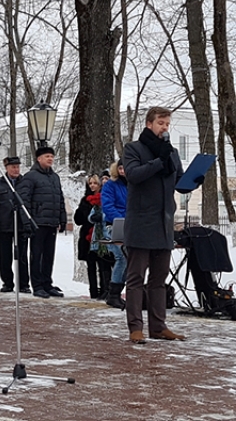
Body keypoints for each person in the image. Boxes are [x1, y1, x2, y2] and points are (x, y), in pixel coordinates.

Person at [123, 106, 184, 344]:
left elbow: (178, 180)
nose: (165, 128)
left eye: (167, 124)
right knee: (136, 278)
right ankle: (135, 328)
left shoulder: (172, 152)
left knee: (159, 280)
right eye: (161, 123)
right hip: (140, 223)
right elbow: (134, 175)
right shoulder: (133, 149)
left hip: (164, 223)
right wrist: (159, 161)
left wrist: (193, 179)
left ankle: (158, 326)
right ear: (149, 124)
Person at [21, 146, 67, 299]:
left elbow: (60, 199)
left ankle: (47, 283)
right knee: (37, 255)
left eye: (52, 157)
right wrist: (27, 221)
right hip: (37, 222)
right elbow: (23, 201)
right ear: (39, 158)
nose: (50, 159)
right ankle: (37, 285)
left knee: (49, 255)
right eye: (47, 156)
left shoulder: (55, 177)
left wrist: (62, 218)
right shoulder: (30, 177)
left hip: (52, 222)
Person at [0, 156, 32, 294]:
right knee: (5, 257)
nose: (16, 169)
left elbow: (31, 204)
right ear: (6, 168)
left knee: (22, 257)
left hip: (22, 226)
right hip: (4, 227)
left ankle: (24, 284)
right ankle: (7, 283)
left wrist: (29, 223)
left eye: (18, 166)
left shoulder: (26, 183)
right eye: (13, 167)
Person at [74, 175, 111, 299]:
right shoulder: (85, 200)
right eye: (90, 183)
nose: (92, 186)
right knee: (90, 265)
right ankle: (93, 291)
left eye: (95, 183)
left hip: (101, 235)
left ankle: (105, 290)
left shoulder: (105, 198)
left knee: (103, 264)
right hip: (87, 236)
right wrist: (84, 214)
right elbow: (78, 220)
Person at [100, 160, 128, 309]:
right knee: (121, 257)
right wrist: (121, 219)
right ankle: (113, 294)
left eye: (126, 168)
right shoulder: (110, 185)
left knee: (130, 260)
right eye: (121, 168)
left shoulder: (134, 184)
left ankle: (117, 292)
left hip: (133, 226)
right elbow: (108, 206)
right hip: (114, 225)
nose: (123, 170)